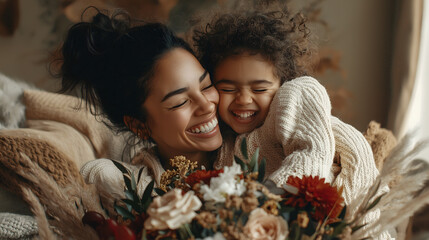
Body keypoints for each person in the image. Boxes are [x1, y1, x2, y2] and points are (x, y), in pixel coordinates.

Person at [191, 2, 379, 206]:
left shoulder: (295, 95)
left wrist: (264, 196)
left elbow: (312, 154)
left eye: (260, 89)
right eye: (227, 89)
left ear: (282, 83)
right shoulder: (221, 137)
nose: (243, 99)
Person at [56, 9, 223, 196]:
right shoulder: (133, 191)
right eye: (180, 102)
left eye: (206, 86)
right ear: (138, 125)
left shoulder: (252, 144)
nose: (207, 105)